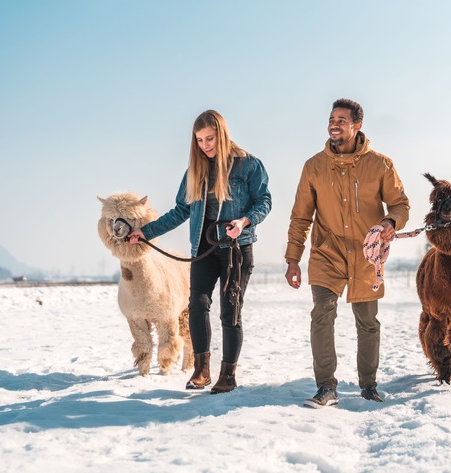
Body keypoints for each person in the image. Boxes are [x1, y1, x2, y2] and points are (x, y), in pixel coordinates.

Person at [128, 110, 272, 394]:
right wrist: (146, 232)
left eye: (210, 138)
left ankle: (227, 375)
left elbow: (264, 201)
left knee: (230, 312)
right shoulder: (196, 170)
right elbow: (181, 210)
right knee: (197, 306)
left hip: (236, 249)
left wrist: (243, 222)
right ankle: (201, 370)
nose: (205, 145)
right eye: (200, 140)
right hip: (203, 250)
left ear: (222, 133)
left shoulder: (249, 165)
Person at [284, 98, 410, 407]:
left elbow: (400, 204)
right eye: (331, 118)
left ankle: (368, 385)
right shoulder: (314, 166)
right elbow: (301, 216)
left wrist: (390, 222)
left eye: (342, 119)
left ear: (357, 125)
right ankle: (326, 387)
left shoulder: (381, 164)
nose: (334, 123)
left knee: (367, 321)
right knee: (322, 314)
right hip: (327, 252)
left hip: (367, 255)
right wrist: (292, 259)